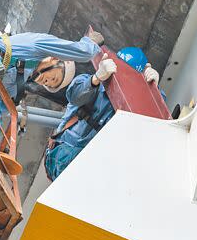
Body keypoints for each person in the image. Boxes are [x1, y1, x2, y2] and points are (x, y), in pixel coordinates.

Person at [42, 47, 160, 181]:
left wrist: (154, 90)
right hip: (66, 152)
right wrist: (96, 79)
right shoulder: (94, 83)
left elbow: (157, 123)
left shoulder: (132, 104)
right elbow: (74, 96)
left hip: (92, 165)